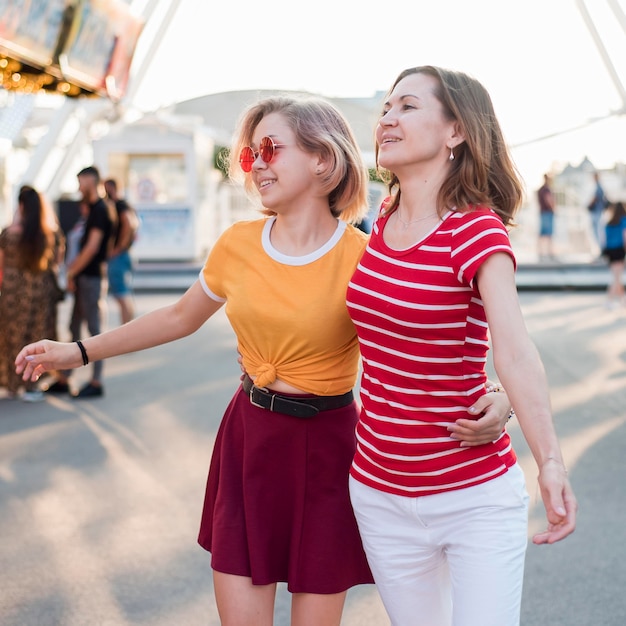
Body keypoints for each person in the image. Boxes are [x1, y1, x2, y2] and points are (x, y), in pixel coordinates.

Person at [14, 95, 512, 626]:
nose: (258, 165)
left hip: (332, 452)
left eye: (271, 148)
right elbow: (178, 317)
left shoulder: (366, 258)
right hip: (249, 440)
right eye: (251, 155)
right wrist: (78, 351)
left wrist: (499, 395)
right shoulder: (237, 244)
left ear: (323, 159)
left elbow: (420, 347)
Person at [345, 66, 577, 626]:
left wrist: (549, 460)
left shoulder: (475, 231)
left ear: (456, 132)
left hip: (471, 496)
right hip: (378, 491)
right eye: (386, 109)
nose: (388, 119)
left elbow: (514, 349)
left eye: (407, 107)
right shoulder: (378, 220)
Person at [44, 165, 115, 399]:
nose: (78, 187)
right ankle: (64, 378)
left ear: (90, 180)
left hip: (91, 278)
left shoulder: (100, 210)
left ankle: (96, 382)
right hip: (85, 277)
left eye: (80, 182)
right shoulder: (93, 209)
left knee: (94, 331)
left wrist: (71, 273)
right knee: (74, 328)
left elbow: (92, 247)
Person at [0, 186, 64, 401]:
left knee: (11, 336)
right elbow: (57, 261)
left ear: (20, 205)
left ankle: (11, 384)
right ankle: (31, 384)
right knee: (36, 336)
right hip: (39, 293)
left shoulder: (8, 233)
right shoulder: (50, 234)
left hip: (11, 293)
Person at [104, 178, 137, 325]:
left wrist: (118, 248)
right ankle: (129, 329)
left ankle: (127, 330)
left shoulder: (119, 205)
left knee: (122, 295)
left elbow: (129, 224)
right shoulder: (125, 204)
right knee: (124, 294)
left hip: (119, 256)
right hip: (124, 255)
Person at [602, 200, 626, 308]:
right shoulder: (623, 221)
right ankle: (609, 299)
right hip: (619, 250)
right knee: (617, 278)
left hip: (610, 251)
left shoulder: (609, 223)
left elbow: (604, 239)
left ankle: (622, 299)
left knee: (617, 276)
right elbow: (624, 236)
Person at [537, 173, 556, 260]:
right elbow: (548, 199)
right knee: (548, 233)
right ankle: (550, 252)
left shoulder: (540, 189)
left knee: (542, 234)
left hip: (542, 212)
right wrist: (553, 208)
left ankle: (541, 252)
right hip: (547, 213)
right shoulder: (546, 189)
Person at [587, 170, 608, 250]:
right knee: (597, 230)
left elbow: (595, 198)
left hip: (596, 211)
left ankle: (601, 248)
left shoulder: (598, 187)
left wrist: (589, 205)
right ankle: (600, 248)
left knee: (598, 230)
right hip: (598, 211)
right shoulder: (598, 186)